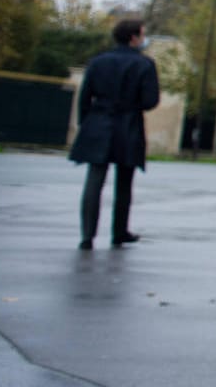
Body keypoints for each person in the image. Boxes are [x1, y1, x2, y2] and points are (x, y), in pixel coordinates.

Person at [68, 18, 160, 249]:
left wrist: (86, 123)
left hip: (98, 123)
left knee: (94, 180)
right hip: (128, 124)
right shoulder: (145, 65)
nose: (143, 39)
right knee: (124, 182)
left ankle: (87, 235)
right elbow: (150, 101)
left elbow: (85, 96)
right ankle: (119, 231)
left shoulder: (98, 62)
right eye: (142, 35)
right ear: (133, 37)